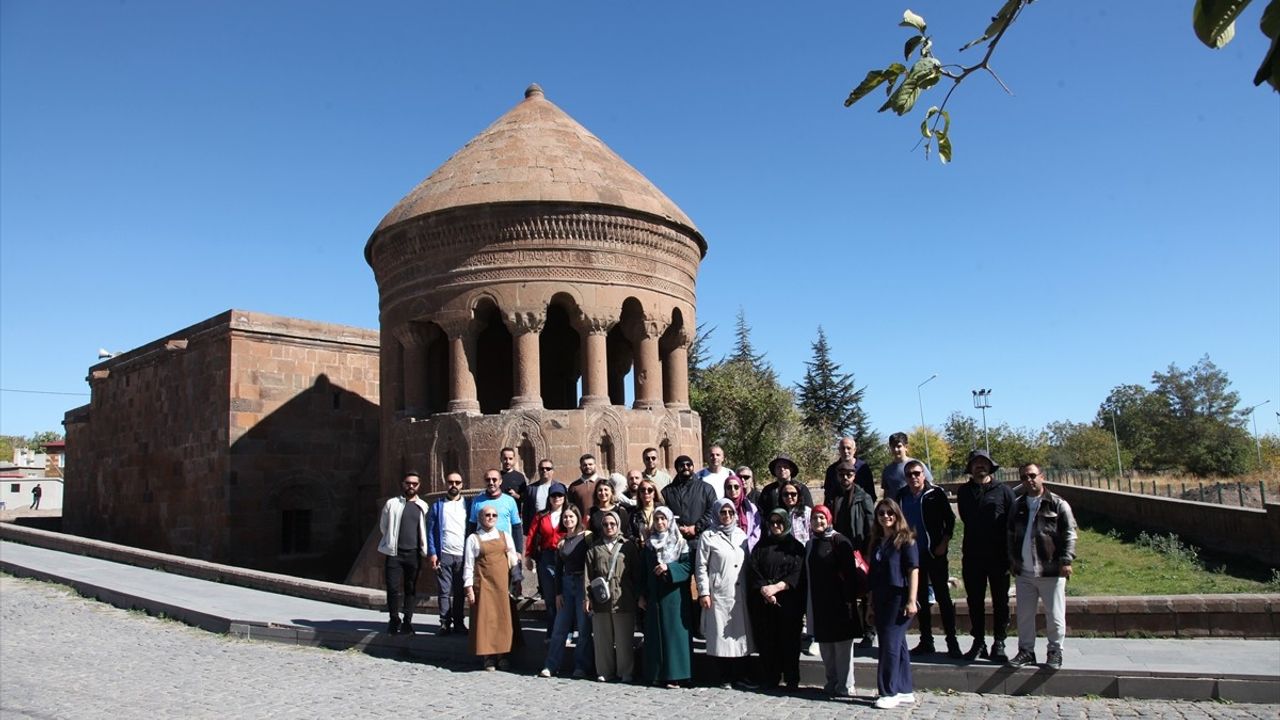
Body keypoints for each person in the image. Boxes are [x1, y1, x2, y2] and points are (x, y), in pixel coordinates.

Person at [1007, 463, 1078, 670]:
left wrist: (1066, 560)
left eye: (1032, 475)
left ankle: (1055, 651)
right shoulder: (1018, 505)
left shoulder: (1057, 504)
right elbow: (1010, 535)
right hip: (1024, 571)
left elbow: (1070, 533)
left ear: (1041, 477)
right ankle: (1026, 651)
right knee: (1025, 615)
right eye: (1023, 477)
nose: (1028, 480)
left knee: (1054, 614)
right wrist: (1012, 560)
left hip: (1050, 569)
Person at [956, 448, 1016, 662]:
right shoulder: (964, 492)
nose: (980, 466)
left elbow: (1012, 522)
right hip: (973, 554)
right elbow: (965, 518)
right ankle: (978, 641)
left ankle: (999, 642)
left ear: (990, 466)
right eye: (976, 463)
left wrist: (1012, 555)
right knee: (974, 600)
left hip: (998, 555)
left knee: (1000, 600)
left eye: (984, 463)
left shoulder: (1004, 491)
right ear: (970, 468)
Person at [896, 459, 960, 658]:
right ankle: (926, 641)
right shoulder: (901, 496)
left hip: (934, 553)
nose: (913, 477)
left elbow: (949, 520)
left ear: (924, 474)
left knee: (943, 597)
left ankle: (952, 641)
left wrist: (944, 543)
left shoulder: (935, 494)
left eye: (917, 473)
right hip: (913, 555)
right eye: (909, 474)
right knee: (920, 598)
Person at [695, 498, 755, 689]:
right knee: (721, 636)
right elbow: (701, 566)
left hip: (740, 591)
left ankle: (741, 675)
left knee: (739, 636)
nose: (727, 516)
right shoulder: (708, 536)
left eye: (730, 512)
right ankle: (724, 676)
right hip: (719, 591)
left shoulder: (741, 535)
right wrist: (704, 591)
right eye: (723, 512)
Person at [804, 505, 861, 698]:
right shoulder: (810, 544)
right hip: (820, 602)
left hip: (840, 601)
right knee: (826, 647)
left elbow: (850, 575)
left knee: (842, 647)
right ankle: (832, 681)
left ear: (829, 519)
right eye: (814, 518)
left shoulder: (839, 540)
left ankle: (846, 684)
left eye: (822, 518)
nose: (818, 522)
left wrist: (849, 600)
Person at [747, 508, 806, 690]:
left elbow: (798, 572)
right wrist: (765, 589)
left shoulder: (796, 547)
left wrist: (778, 587)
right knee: (767, 641)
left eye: (779, 522)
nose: (775, 526)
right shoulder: (761, 546)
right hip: (765, 602)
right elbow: (753, 569)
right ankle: (770, 677)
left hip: (788, 602)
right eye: (772, 522)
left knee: (789, 641)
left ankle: (791, 678)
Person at [868, 498, 919, 710]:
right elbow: (873, 575)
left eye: (890, 513)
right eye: (881, 513)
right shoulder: (877, 542)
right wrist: (870, 604)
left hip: (898, 598)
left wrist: (911, 599)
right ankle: (905, 688)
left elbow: (913, 570)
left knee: (888, 644)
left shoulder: (906, 540)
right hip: (880, 597)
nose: (886, 517)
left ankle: (888, 691)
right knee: (898, 644)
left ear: (897, 515)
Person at [639, 506, 693, 687]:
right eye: (657, 519)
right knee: (656, 636)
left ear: (670, 521)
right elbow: (644, 571)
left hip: (674, 595)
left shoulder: (680, 543)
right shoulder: (649, 544)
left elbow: (687, 567)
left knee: (674, 635)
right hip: (654, 595)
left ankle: (676, 675)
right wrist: (642, 595)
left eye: (663, 519)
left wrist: (669, 568)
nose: (660, 522)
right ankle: (656, 674)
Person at [464, 504, 521, 670]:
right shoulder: (473, 539)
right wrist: (468, 589)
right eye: (487, 515)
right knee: (485, 621)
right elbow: (468, 564)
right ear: (480, 518)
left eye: (494, 515)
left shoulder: (505, 536)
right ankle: (488, 657)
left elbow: (512, 559)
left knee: (503, 619)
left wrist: (516, 582)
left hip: (502, 585)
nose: (490, 518)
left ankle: (503, 655)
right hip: (483, 585)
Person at [585, 510, 640, 683]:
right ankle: (604, 670)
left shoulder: (628, 546)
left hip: (623, 598)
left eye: (612, 524)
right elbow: (587, 574)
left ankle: (626, 671)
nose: (609, 527)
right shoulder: (595, 547)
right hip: (601, 599)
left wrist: (639, 595)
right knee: (602, 638)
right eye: (605, 524)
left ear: (618, 525)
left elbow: (636, 574)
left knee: (624, 639)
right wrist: (587, 598)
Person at [540, 505, 594, 678]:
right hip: (566, 583)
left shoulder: (586, 537)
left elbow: (591, 565)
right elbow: (558, 568)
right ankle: (551, 665)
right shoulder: (562, 542)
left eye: (571, 517)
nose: (568, 520)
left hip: (582, 583)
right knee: (559, 627)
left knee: (584, 628)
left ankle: (581, 666)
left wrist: (588, 593)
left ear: (577, 518)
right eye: (565, 517)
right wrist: (557, 593)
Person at [826, 460, 875, 648]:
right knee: (845, 590)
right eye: (841, 474)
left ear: (854, 476)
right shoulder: (832, 496)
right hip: (839, 550)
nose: (845, 478)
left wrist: (868, 552)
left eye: (849, 474)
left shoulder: (863, 496)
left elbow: (871, 526)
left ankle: (869, 631)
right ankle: (851, 628)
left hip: (859, 549)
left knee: (865, 590)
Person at [377, 471, 430, 634]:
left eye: (414, 484)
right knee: (392, 588)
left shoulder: (423, 506)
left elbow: (424, 529)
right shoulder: (392, 504)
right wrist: (390, 541)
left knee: (411, 588)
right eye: (408, 483)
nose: (411, 486)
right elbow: (383, 526)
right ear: (403, 484)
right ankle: (394, 619)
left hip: (413, 553)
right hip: (395, 552)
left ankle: (407, 620)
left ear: (419, 486)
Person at [468, 469, 525, 593]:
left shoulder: (509, 501)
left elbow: (516, 526)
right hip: (484, 550)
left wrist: (519, 551)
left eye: (494, 479)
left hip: (504, 549)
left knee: (507, 589)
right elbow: (472, 525)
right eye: (488, 480)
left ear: (500, 482)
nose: (491, 482)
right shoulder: (477, 501)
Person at [428, 472, 470, 635]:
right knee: (444, 591)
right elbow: (430, 530)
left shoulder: (467, 504)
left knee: (460, 591)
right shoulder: (438, 505)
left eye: (457, 482)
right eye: (451, 482)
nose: (454, 485)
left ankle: (459, 622)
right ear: (446, 483)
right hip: (444, 553)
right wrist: (432, 553)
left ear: (462, 484)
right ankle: (445, 622)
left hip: (462, 554)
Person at [526, 482, 567, 630]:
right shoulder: (541, 516)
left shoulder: (569, 514)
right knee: (550, 596)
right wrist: (528, 556)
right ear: (549, 498)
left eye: (560, 495)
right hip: (547, 557)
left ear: (564, 497)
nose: (556, 498)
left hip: (565, 557)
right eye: (553, 495)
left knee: (565, 594)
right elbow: (531, 535)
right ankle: (552, 630)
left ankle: (567, 629)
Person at [663, 455, 717, 554]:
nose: (686, 467)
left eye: (689, 464)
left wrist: (696, 527)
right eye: (682, 465)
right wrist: (677, 527)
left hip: (701, 540)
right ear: (676, 468)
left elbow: (713, 510)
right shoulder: (667, 491)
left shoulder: (706, 488)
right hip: (676, 542)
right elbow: (664, 513)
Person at [881, 432, 933, 502]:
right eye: (893, 447)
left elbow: (930, 486)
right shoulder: (887, 470)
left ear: (906, 447)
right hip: (897, 510)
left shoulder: (917, 465)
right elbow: (886, 493)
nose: (896, 449)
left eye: (899, 446)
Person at [824, 437, 875, 506]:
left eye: (848, 448)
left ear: (854, 450)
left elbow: (870, 493)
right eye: (843, 448)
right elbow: (827, 495)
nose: (845, 451)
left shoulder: (863, 468)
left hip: (859, 511)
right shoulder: (832, 470)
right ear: (839, 450)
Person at [724, 474, 761, 550]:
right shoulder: (720, 507)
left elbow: (757, 529)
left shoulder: (750, 507)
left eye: (736, 487)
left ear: (741, 488)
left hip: (747, 548)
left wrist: (748, 546)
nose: (733, 490)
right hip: (725, 549)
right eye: (729, 487)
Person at [522, 458, 556, 528]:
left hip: (554, 525)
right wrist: (526, 528)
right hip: (536, 526)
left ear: (552, 471)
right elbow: (526, 511)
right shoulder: (530, 489)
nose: (544, 470)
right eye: (542, 468)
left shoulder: (559, 487)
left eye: (548, 468)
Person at [778, 479, 812, 544]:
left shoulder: (807, 512)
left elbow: (813, 534)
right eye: (785, 494)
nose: (789, 497)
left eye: (793, 494)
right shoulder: (778, 513)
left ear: (798, 495)